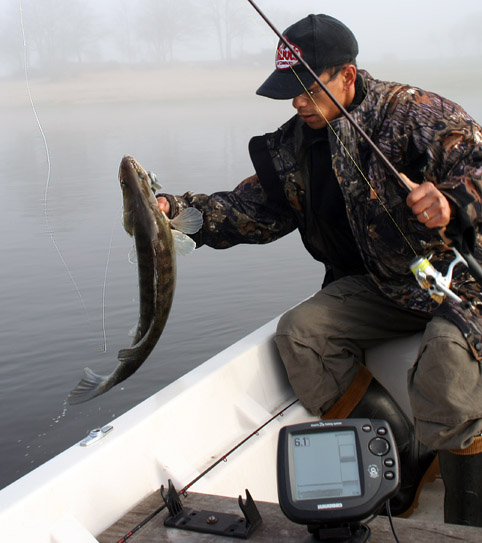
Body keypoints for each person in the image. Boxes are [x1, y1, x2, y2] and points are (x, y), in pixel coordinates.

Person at [157, 14, 482, 526]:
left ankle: (467, 527)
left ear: (347, 75)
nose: (298, 102)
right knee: (302, 336)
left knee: (445, 363)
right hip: (384, 287)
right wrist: (177, 213)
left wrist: (454, 201)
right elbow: (255, 211)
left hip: (461, 282)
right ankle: (408, 462)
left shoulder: (415, 112)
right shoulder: (293, 144)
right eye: (290, 90)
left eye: (308, 89)